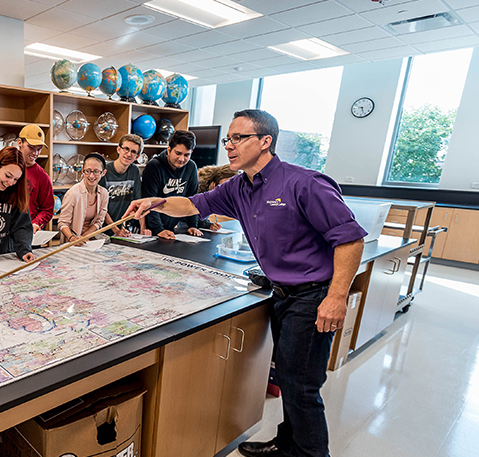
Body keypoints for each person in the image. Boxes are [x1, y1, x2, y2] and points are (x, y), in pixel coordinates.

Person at [125, 110, 366, 457]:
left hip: (313, 296)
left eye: (239, 138)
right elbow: (193, 203)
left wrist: (337, 297)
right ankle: (287, 445)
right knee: (287, 377)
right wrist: (155, 202)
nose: (229, 146)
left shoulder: (304, 183)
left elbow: (349, 240)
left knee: (301, 387)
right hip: (281, 294)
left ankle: (311, 453)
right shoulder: (240, 187)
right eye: (228, 139)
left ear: (265, 141)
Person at [141, 129, 201, 240]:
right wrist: (158, 229)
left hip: (173, 228)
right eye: (178, 153)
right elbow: (150, 201)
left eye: (186, 155)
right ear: (169, 150)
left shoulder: (191, 167)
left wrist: (193, 225)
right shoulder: (154, 166)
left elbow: (193, 199)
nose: (181, 159)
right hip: (153, 229)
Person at [98, 134, 150, 237]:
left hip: (118, 229)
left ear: (137, 156)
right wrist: (115, 230)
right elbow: (100, 207)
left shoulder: (134, 170)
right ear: (118, 149)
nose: (129, 154)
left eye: (133, 152)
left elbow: (138, 201)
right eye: (126, 149)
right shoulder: (104, 171)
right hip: (100, 228)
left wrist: (143, 228)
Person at [58, 153, 109, 244]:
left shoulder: (104, 193)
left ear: (103, 173)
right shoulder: (73, 193)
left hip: (89, 241)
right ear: (82, 170)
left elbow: (99, 222)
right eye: (88, 171)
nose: (91, 176)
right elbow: (63, 223)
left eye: (96, 172)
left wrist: (84, 237)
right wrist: (73, 238)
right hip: (71, 242)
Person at [16, 124, 54, 233]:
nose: (35, 153)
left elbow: (47, 209)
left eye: (39, 149)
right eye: (31, 148)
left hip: (27, 232)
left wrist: (36, 223)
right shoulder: (6, 168)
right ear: (19, 143)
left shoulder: (42, 176)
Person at [197, 164, 237, 231]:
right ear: (213, 183)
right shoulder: (198, 191)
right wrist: (206, 224)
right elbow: (192, 217)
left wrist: (209, 224)